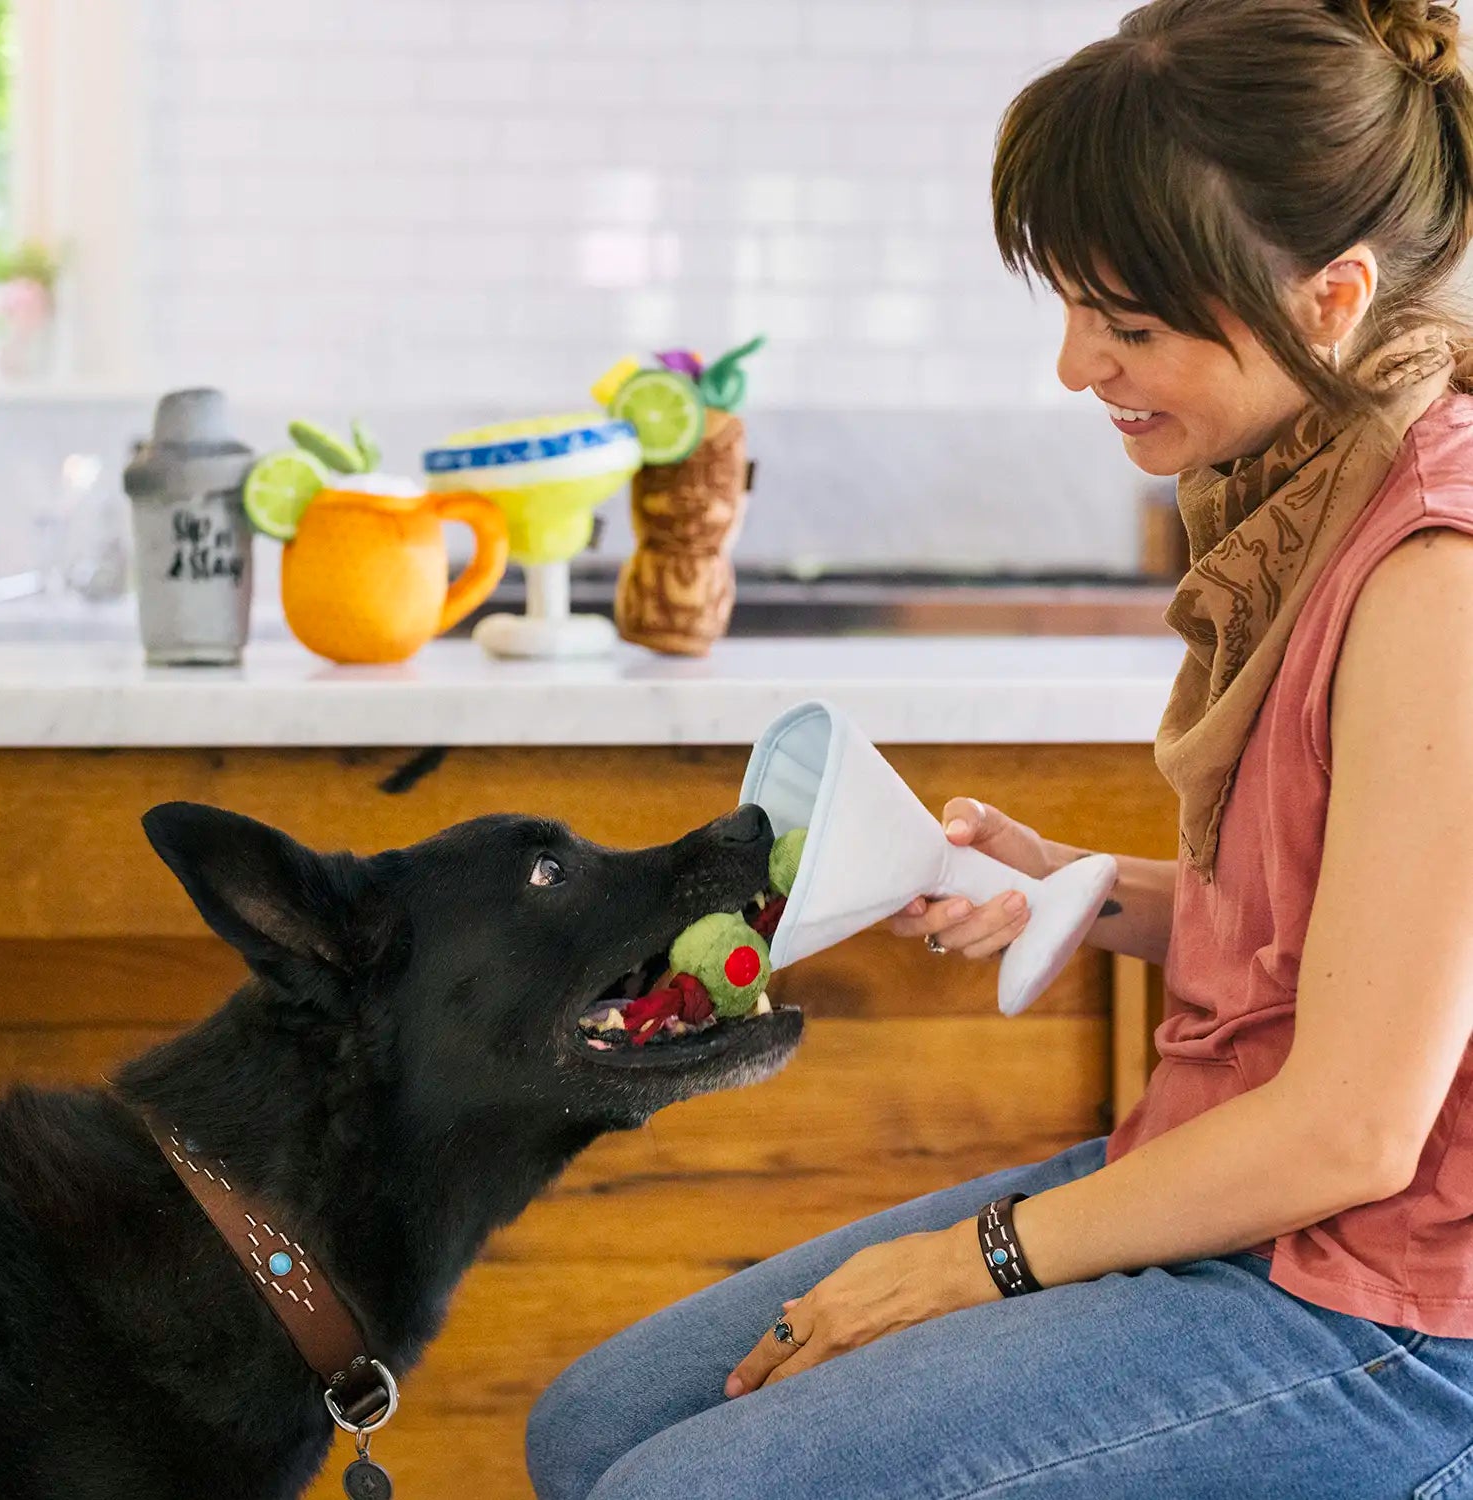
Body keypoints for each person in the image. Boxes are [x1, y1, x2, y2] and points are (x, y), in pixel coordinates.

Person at [526, 3, 1473, 1493]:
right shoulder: (1308, 484)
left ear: (1333, 299)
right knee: (588, 1428)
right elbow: (1343, 935)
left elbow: (1355, 1127)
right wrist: (1078, 887)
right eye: (1075, 307)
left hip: (1385, 1310)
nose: (1076, 365)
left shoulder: (1436, 574)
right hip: (1236, 1187)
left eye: (1132, 326)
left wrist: (970, 1262)